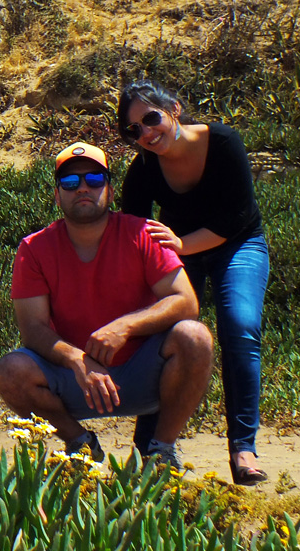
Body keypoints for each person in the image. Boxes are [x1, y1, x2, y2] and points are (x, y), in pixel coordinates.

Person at [0, 142, 214, 468]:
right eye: (70, 182)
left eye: (94, 179)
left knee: (195, 337)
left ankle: (161, 450)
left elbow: (186, 302)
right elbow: (32, 330)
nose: (83, 188)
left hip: (143, 374)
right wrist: (78, 360)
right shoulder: (34, 248)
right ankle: (81, 445)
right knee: (11, 370)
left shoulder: (143, 234)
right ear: (57, 196)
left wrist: (125, 326)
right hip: (76, 382)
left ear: (110, 192)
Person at [117, 78, 270, 486]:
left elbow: (235, 218)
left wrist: (182, 244)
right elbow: (131, 227)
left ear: (174, 109)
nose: (147, 133)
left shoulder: (223, 142)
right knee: (164, 333)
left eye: (151, 118)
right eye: (134, 130)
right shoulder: (144, 169)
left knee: (239, 326)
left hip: (238, 243)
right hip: (179, 250)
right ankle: (150, 448)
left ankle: (243, 448)